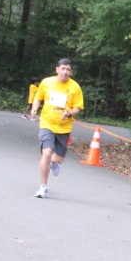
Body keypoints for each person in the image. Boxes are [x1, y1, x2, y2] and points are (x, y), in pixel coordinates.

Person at [29, 58, 83, 198]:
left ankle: (53, 162)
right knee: (46, 153)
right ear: (57, 69)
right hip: (47, 123)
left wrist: (69, 113)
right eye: (63, 68)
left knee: (58, 159)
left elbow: (78, 107)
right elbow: (38, 97)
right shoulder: (47, 82)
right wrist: (34, 109)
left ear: (71, 72)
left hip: (64, 127)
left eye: (68, 69)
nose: (65, 72)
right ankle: (43, 187)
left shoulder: (75, 87)